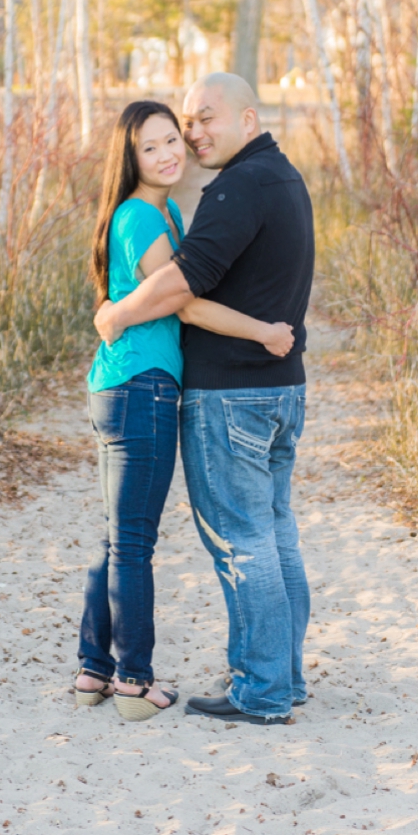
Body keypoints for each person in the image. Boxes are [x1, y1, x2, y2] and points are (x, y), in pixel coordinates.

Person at [94, 73, 315, 727]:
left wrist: (115, 317)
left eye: (205, 118)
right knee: (275, 537)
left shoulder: (238, 189)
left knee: (243, 543)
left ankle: (263, 691)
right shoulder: (285, 179)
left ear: (249, 117)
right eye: (187, 122)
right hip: (280, 390)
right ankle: (286, 678)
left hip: (234, 397)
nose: (193, 133)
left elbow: (179, 288)